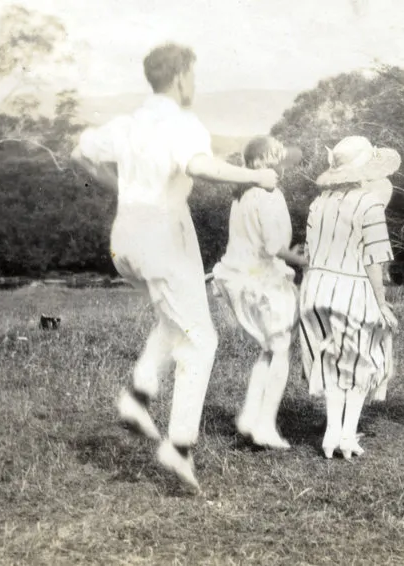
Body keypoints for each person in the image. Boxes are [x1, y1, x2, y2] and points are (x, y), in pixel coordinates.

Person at [70, 43, 279, 492]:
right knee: (201, 339)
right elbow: (202, 167)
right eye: (194, 76)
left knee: (176, 317)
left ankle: (138, 395)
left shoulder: (128, 122)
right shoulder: (181, 123)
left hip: (126, 236)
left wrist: (122, 188)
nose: (195, 84)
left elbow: (79, 154)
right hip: (163, 235)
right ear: (182, 76)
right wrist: (257, 177)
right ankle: (178, 445)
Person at [298, 136, 400, 460]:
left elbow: (310, 252)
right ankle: (344, 436)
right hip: (352, 287)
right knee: (361, 360)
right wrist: (381, 302)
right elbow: (375, 258)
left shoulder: (318, 203)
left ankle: (332, 433)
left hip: (315, 288)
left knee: (330, 360)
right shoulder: (369, 202)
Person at [210, 136, 307, 450]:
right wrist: (306, 259)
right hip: (263, 280)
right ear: (264, 160)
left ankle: (251, 416)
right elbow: (273, 246)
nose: (281, 166)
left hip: (240, 277)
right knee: (279, 351)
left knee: (269, 349)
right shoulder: (268, 194)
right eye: (277, 158)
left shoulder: (241, 194)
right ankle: (265, 424)